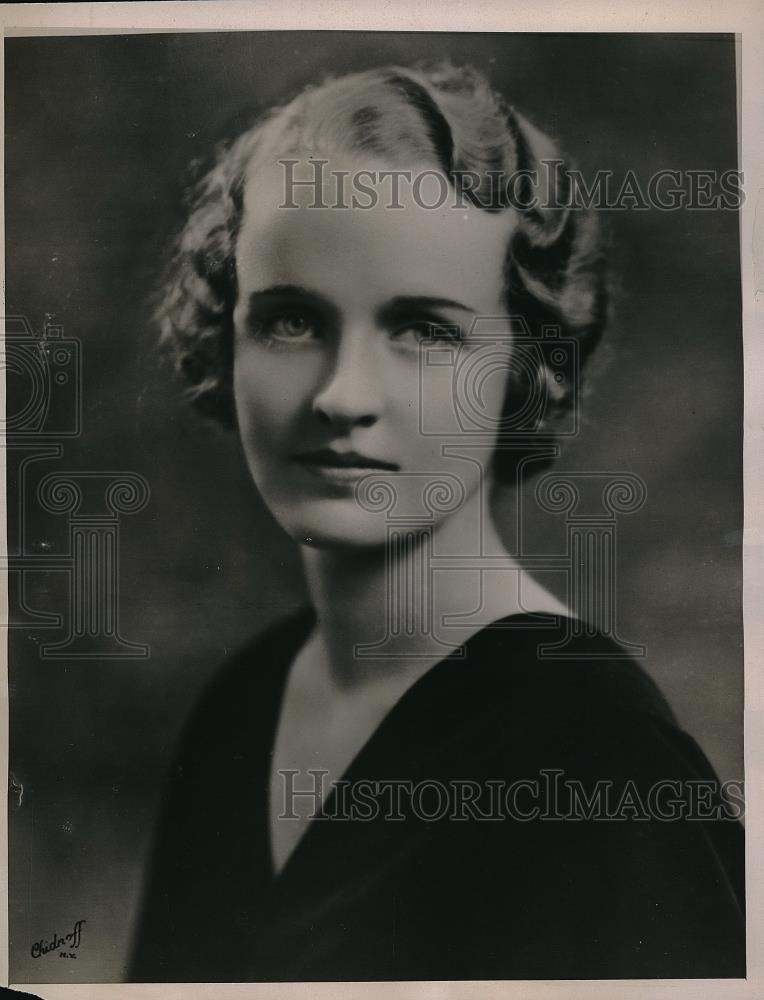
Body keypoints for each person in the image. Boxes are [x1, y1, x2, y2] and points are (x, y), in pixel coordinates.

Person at [128, 61, 745, 982]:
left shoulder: (595, 758)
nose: (342, 396)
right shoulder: (242, 704)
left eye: (424, 329)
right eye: (292, 321)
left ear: (523, 370)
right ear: (228, 338)